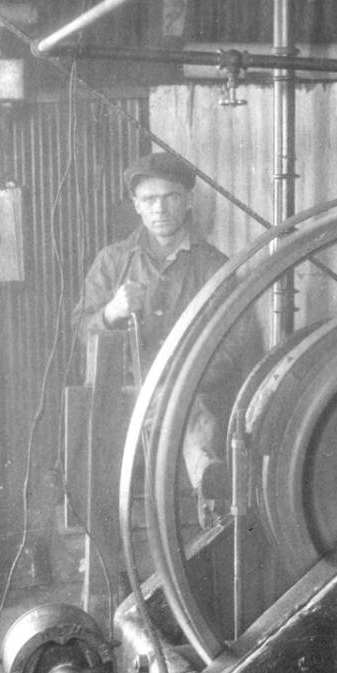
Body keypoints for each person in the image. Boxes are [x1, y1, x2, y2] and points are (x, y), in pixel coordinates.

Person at [71, 151, 236, 500]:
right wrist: (111, 313)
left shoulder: (214, 268)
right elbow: (81, 332)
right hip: (120, 395)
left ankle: (210, 487)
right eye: (149, 200)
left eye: (170, 197)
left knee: (190, 409)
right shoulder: (112, 262)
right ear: (136, 205)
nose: (160, 209)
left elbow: (233, 346)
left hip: (189, 394)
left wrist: (184, 379)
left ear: (187, 200)